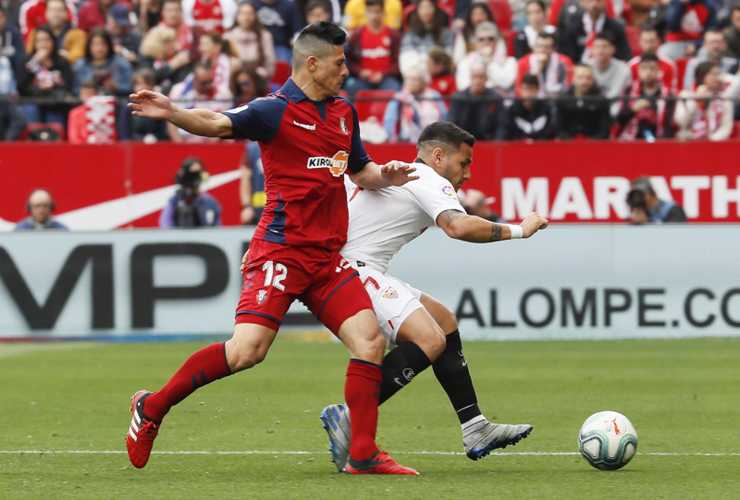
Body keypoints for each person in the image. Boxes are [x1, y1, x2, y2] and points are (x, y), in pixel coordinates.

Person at [126, 21, 420, 475]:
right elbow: (217, 121)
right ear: (312, 62)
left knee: (369, 341)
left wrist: (388, 175)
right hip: (280, 252)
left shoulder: (344, 113)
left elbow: (360, 171)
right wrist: (174, 113)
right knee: (247, 352)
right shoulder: (273, 111)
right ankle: (153, 407)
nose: (348, 70)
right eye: (340, 62)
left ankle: (361, 453)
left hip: (325, 259)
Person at [314, 122, 547, 471]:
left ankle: (475, 426)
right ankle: (350, 416)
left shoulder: (387, 173)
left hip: (352, 267)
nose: (467, 174)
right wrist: (520, 230)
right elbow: (458, 226)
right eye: (463, 163)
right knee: (429, 338)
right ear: (438, 156)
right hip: (353, 271)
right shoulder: (427, 178)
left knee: (443, 321)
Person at [344, 0, 401, 97]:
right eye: (370, 12)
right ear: (365, 13)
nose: (374, 16)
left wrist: (383, 74)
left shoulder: (393, 35)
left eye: (377, 12)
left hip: (386, 78)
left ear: (383, 13)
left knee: (395, 89)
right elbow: (348, 61)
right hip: (362, 79)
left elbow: (398, 62)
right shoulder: (357, 35)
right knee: (351, 88)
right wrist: (360, 72)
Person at [19, 26, 74, 126]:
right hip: (34, 102)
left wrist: (52, 87)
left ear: (53, 42)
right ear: (34, 44)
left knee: (54, 116)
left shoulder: (62, 62)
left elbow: (68, 86)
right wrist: (35, 62)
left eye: (46, 40)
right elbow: (21, 87)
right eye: (39, 41)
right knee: (30, 111)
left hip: (55, 104)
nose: (43, 44)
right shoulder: (27, 62)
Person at [615, 53, 675, 140]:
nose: (648, 72)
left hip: (659, 140)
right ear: (638, 70)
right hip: (632, 139)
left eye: (652, 68)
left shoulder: (668, 94)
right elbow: (620, 120)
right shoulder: (629, 91)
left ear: (659, 71)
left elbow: (669, 125)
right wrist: (633, 110)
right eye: (644, 68)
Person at [383, 62, 447, 143]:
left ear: (423, 82)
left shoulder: (434, 95)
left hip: (433, 142)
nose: (410, 82)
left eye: (414, 79)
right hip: (405, 142)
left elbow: (444, 118)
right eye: (407, 79)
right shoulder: (398, 99)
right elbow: (389, 122)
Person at [674, 60, 734, 140]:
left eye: (718, 74)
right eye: (713, 74)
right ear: (702, 76)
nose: (717, 78)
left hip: (715, 144)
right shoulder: (686, 94)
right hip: (689, 142)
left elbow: (726, 127)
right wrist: (697, 100)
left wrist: (711, 141)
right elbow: (681, 122)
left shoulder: (725, 98)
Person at [557, 0, 631, 63]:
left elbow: (624, 56)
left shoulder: (616, 28)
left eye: (598, 0)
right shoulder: (571, 26)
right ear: (582, 2)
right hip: (579, 72)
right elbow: (565, 55)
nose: (594, 5)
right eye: (590, 0)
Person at [455, 21, 517, 92]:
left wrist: (489, 62)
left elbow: (506, 83)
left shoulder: (510, 61)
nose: (486, 42)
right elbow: (463, 86)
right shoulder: (466, 61)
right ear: (475, 42)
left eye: (491, 39)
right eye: (481, 39)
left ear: (497, 41)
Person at [160, 157, 222, 227]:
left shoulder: (209, 202)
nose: (193, 180)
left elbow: (217, 226)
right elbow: (165, 224)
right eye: (189, 175)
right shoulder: (175, 200)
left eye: (196, 175)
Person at [448, 61, 502, 140]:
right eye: (475, 77)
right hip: (463, 144)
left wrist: (496, 145)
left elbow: (501, 125)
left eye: (481, 77)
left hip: (489, 143)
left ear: (486, 78)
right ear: (470, 77)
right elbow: (452, 124)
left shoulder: (495, 98)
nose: (478, 81)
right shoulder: (458, 98)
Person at [223, 1, 276, 80]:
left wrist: (262, 72)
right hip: (234, 79)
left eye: (250, 13)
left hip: (258, 79)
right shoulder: (228, 37)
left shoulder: (265, 36)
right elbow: (223, 63)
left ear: (255, 16)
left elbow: (270, 63)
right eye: (243, 13)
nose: (246, 17)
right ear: (237, 16)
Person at [73, 28, 133, 96]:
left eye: (103, 44)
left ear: (109, 45)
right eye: (95, 44)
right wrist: (85, 91)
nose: (99, 48)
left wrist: (116, 88)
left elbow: (130, 88)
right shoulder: (80, 65)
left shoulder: (121, 64)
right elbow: (75, 89)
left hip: (116, 102)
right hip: (87, 103)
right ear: (88, 46)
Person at [557, 63, 610, 138]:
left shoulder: (601, 100)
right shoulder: (563, 99)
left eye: (588, 78)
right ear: (573, 78)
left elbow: (604, 130)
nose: (584, 82)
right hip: (568, 144)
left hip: (594, 144)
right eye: (580, 77)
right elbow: (559, 128)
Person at [499, 74, 558, 140]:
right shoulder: (512, 110)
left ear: (537, 90)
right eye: (526, 89)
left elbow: (550, 132)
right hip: (519, 148)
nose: (529, 93)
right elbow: (508, 133)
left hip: (541, 147)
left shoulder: (546, 109)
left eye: (532, 89)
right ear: (520, 90)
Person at [25, 0, 86, 64]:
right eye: (52, 10)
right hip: (41, 69)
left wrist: (65, 57)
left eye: (59, 10)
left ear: (66, 12)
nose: (56, 14)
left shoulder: (77, 34)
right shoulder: (36, 33)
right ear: (46, 12)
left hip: (67, 68)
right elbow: (28, 54)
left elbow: (78, 56)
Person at [515, 31, 573, 97]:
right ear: (534, 47)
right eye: (539, 46)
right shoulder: (523, 62)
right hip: (532, 100)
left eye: (547, 47)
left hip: (557, 99)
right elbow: (519, 89)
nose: (542, 50)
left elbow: (568, 85)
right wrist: (539, 68)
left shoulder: (564, 61)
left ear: (553, 49)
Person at [139, 25, 192, 94]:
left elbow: (181, 82)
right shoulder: (147, 58)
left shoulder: (179, 57)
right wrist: (170, 66)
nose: (172, 45)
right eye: (167, 42)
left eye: (172, 41)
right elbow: (147, 78)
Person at [627, 27, 677, 93]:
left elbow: (672, 91)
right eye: (645, 41)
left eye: (652, 41)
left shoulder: (669, 65)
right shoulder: (632, 65)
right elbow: (629, 91)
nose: (649, 45)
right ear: (640, 42)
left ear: (658, 41)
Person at [588, 33, 631, 99]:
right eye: (597, 47)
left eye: (604, 47)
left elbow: (616, 95)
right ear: (592, 50)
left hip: (615, 105)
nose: (600, 51)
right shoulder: (586, 68)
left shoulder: (623, 69)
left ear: (613, 49)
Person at [106, 4, 141, 68]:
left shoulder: (135, 37)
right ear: (109, 19)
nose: (120, 27)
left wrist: (123, 52)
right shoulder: (102, 36)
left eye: (122, 24)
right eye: (116, 23)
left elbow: (139, 60)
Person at [239, 141, 265, 224]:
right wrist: (247, 206)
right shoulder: (252, 149)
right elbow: (245, 180)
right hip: (258, 211)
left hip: (282, 209)